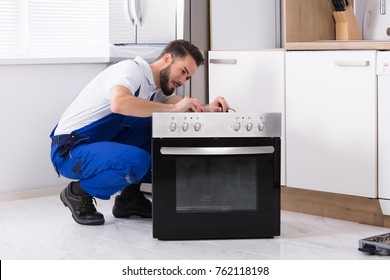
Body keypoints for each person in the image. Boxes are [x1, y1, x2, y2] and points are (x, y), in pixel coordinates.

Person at [50, 40, 230, 226]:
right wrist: (175, 108)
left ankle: (129, 199)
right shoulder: (130, 70)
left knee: (160, 133)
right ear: (167, 58)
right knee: (137, 160)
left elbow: (182, 108)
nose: (182, 81)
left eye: (188, 78)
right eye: (183, 71)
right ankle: (78, 193)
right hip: (70, 148)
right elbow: (119, 103)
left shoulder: (156, 89)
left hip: (100, 143)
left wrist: (209, 108)